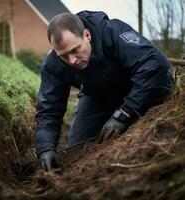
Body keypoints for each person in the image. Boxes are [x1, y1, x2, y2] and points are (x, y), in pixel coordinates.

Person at [35, 11, 174, 171]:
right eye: (64, 56)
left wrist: (124, 113)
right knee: (77, 152)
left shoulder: (112, 31)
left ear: (87, 35)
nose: (72, 60)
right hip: (98, 95)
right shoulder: (53, 63)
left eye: (75, 50)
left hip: (140, 86)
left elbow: (154, 65)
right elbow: (49, 109)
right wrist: (45, 147)